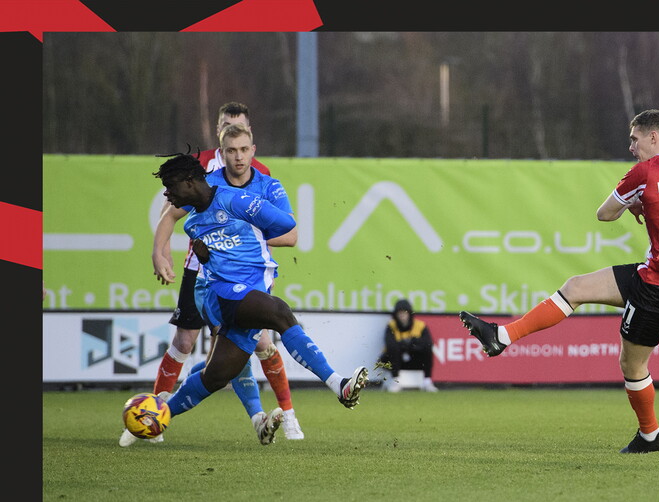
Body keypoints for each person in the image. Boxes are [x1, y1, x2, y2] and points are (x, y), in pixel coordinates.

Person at [459, 109, 659, 454]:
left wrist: (635, 203)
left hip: (658, 286)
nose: (631, 146)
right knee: (576, 287)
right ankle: (501, 336)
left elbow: (604, 213)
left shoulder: (645, 172)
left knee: (632, 364)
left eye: (634, 138)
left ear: (653, 137)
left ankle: (650, 436)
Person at [148, 151, 369, 445]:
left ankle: (158, 417)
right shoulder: (192, 224)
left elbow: (286, 227)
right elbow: (214, 264)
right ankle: (338, 384)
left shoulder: (237, 201)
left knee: (214, 377)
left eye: (170, 186)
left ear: (189, 181)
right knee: (280, 313)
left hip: (250, 292)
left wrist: (250, 231)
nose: (167, 194)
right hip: (224, 296)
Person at [120, 102, 302, 447]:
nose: (236, 151)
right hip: (201, 272)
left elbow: (289, 233)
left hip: (245, 275)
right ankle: (153, 414)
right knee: (186, 342)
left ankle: (284, 414)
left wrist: (249, 241)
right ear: (220, 135)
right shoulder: (201, 171)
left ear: (250, 140)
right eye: (226, 129)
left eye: (240, 134)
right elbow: (170, 211)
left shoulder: (262, 176)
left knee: (257, 343)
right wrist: (158, 251)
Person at [379, 299, 438, 393]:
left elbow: (428, 343)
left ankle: (427, 381)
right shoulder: (391, 326)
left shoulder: (420, 326)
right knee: (393, 349)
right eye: (400, 313)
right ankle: (395, 381)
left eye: (404, 313)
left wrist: (411, 343)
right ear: (396, 315)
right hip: (396, 361)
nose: (402, 316)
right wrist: (404, 344)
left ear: (409, 314)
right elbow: (390, 344)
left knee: (427, 349)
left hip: (414, 359)